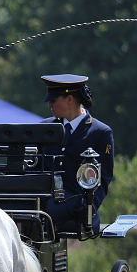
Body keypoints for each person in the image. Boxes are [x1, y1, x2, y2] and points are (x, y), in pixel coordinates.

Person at [40, 74, 115, 233]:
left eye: (53, 100)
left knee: (39, 214)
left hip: (77, 200)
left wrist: (90, 208)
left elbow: (104, 178)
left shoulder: (100, 132)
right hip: (45, 196)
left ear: (69, 99)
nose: (50, 105)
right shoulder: (45, 128)